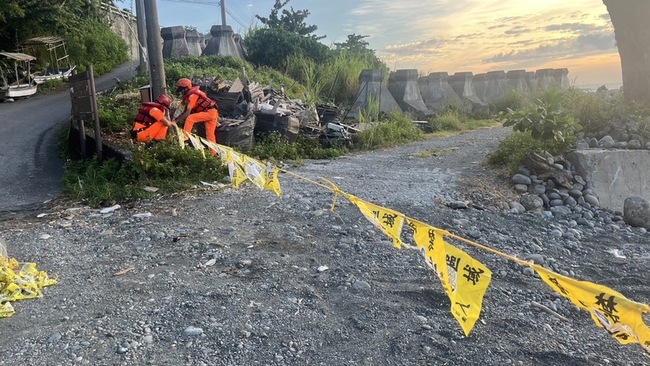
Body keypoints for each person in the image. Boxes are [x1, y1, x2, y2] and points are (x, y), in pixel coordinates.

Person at [173, 78, 219, 155]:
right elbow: (182, 108)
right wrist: (176, 118)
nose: (180, 92)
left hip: (209, 113)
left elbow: (187, 113)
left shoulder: (193, 96)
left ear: (186, 88)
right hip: (213, 112)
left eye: (181, 90)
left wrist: (175, 121)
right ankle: (213, 154)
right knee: (210, 135)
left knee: (190, 118)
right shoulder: (190, 95)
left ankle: (184, 139)